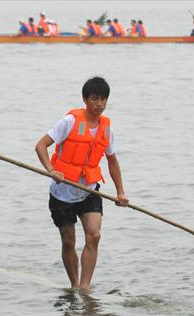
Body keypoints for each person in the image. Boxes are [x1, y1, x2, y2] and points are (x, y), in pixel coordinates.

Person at [35, 77, 129, 290]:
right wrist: (52, 170)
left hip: (89, 191)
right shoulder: (69, 122)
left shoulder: (106, 129)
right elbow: (41, 146)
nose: (99, 104)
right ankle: (74, 284)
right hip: (62, 193)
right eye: (94, 99)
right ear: (85, 99)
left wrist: (120, 192)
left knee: (94, 235)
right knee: (69, 242)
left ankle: (85, 288)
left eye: (103, 99)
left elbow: (112, 161)